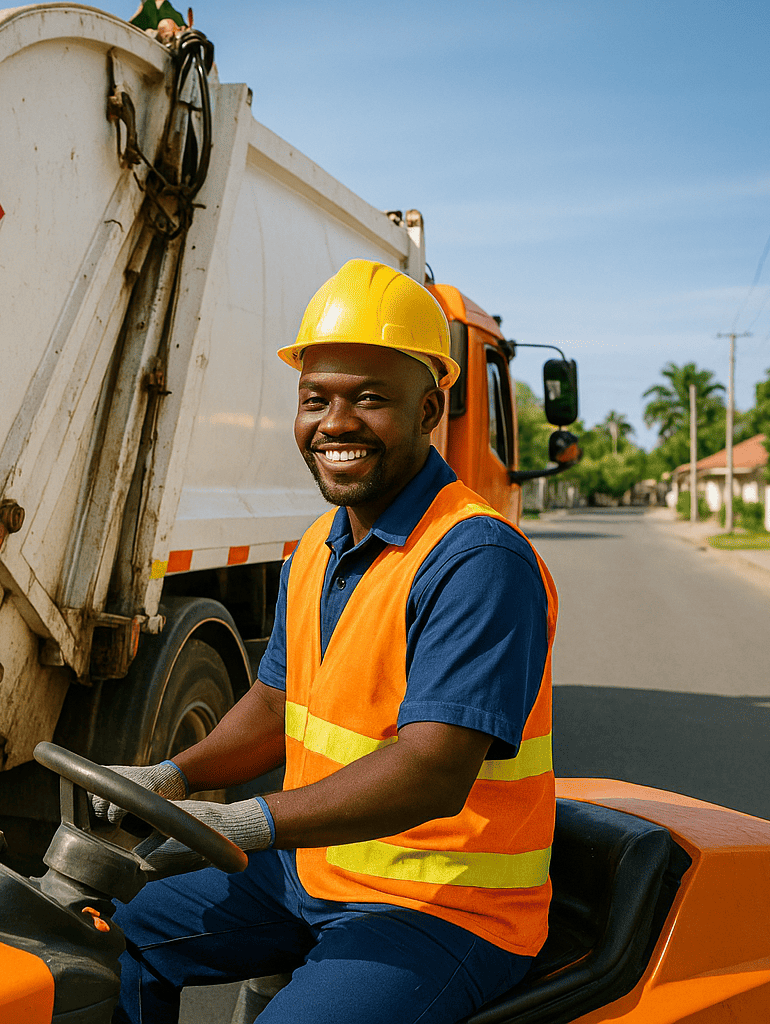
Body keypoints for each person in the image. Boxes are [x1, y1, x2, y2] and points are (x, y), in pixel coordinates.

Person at [102, 260, 558, 1024]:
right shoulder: (318, 543)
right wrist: (173, 777)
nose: (336, 423)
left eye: (370, 399)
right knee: (111, 937)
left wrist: (249, 821)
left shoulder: (478, 559)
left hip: (443, 907)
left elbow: (432, 772)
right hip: (312, 875)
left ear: (430, 409)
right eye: (316, 400)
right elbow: (277, 701)